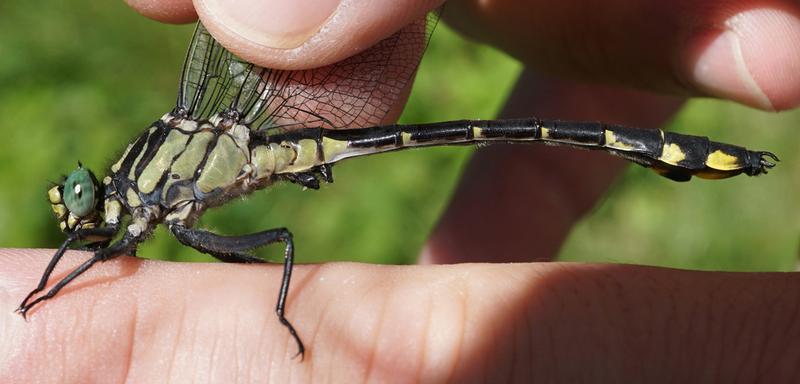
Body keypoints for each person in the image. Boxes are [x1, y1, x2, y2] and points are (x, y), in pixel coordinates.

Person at [3, 0, 799, 381]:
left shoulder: (142, 192)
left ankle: (650, 148)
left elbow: (90, 254)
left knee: (278, 247)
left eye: (82, 202)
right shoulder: (135, 201)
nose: (82, 217)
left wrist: (44, 291)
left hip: (263, 128)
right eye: (80, 208)